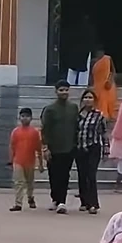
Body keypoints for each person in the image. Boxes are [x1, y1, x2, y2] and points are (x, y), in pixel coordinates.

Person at [41, 82, 80, 213]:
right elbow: (45, 129)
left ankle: (62, 202)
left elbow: (77, 127)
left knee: (64, 175)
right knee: (53, 175)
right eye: (61, 90)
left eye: (66, 90)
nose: (64, 92)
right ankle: (55, 199)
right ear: (56, 91)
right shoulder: (50, 109)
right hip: (53, 148)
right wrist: (45, 147)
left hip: (69, 147)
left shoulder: (73, 108)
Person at [76, 89, 109, 215]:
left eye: (90, 98)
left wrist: (106, 149)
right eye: (86, 97)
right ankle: (84, 202)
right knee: (82, 175)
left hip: (93, 147)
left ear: (94, 101)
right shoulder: (78, 115)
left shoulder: (99, 115)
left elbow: (104, 133)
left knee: (91, 175)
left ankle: (93, 204)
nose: (88, 100)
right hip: (80, 148)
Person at [9, 107, 42, 212]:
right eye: (23, 116)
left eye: (27, 116)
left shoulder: (35, 132)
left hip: (30, 161)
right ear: (19, 117)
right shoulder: (15, 132)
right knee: (19, 182)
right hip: (18, 161)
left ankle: (30, 197)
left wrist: (41, 163)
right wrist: (11, 160)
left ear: (31, 118)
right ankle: (18, 203)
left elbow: (38, 148)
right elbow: (12, 146)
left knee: (30, 182)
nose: (25, 118)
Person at [91, 51, 119, 130]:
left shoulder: (108, 59)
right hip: (97, 87)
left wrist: (110, 80)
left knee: (109, 105)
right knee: (99, 105)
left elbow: (113, 71)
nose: (99, 53)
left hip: (108, 87)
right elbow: (91, 75)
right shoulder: (93, 61)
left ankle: (107, 123)